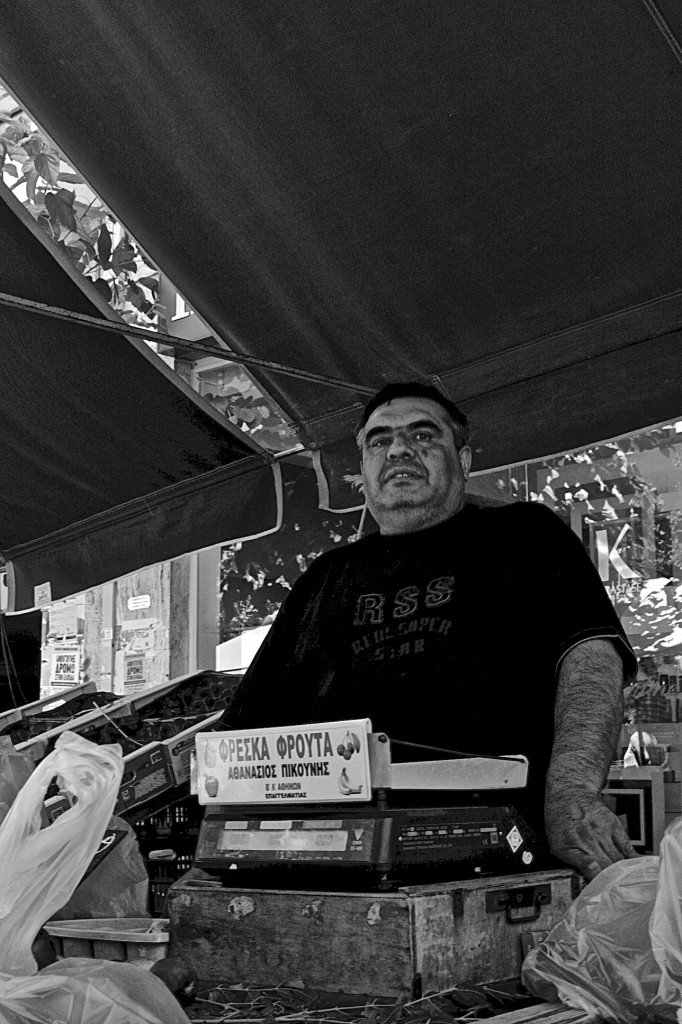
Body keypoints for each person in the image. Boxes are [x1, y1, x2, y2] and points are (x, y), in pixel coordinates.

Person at [231, 381, 639, 880]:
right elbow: (246, 727)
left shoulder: (524, 534)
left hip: (504, 856)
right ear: (364, 471)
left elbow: (591, 658)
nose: (398, 450)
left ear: (463, 462)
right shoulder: (325, 577)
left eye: (423, 436)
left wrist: (572, 795)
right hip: (333, 858)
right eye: (380, 441)